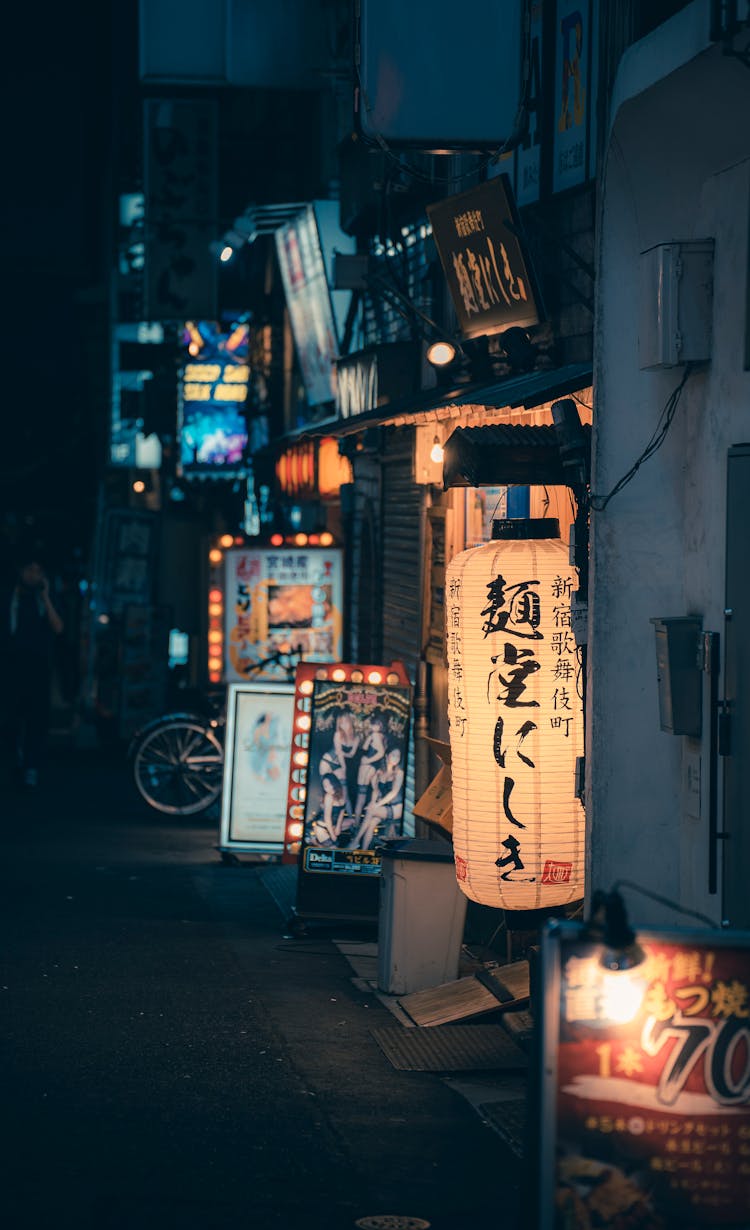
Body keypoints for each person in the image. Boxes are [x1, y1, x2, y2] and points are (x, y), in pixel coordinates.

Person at [3, 557, 63, 787]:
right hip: (11, 665)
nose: (34, 575)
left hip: (39, 667)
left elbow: (58, 628)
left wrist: (46, 597)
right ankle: (15, 762)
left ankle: (31, 766)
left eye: (39, 571)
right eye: (30, 570)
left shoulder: (44, 599)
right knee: (11, 718)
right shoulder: (9, 596)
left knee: (36, 720)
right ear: (21, 570)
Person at [346, 747, 404, 851]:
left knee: (371, 811)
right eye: (393, 755)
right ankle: (363, 851)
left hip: (396, 807)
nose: (396, 758)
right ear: (387, 756)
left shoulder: (399, 773)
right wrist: (373, 802)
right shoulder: (380, 772)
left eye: (398, 756)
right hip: (384, 807)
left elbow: (393, 793)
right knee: (371, 824)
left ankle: (355, 841)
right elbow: (376, 791)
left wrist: (376, 805)